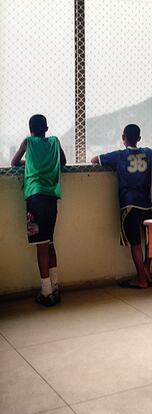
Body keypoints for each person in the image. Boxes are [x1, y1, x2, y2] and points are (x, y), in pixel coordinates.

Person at [91, 124, 152, 288]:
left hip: (128, 204)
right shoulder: (149, 153)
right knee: (150, 239)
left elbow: (94, 160)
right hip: (147, 204)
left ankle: (141, 278)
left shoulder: (119, 156)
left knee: (135, 242)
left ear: (123, 138)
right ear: (139, 138)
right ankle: (147, 267)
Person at [11, 114, 67, 307]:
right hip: (51, 197)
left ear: (30, 129)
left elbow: (14, 162)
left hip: (35, 197)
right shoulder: (54, 141)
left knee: (41, 244)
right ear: (47, 128)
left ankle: (45, 292)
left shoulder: (28, 142)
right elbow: (64, 161)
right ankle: (55, 287)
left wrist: (29, 163)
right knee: (50, 242)